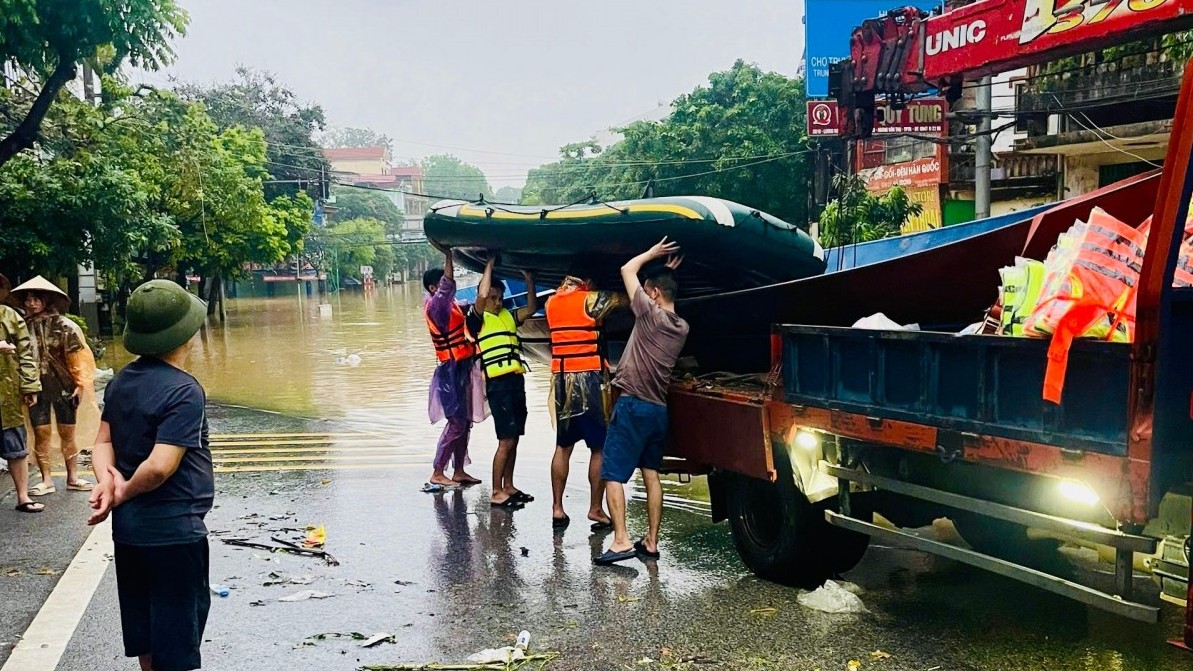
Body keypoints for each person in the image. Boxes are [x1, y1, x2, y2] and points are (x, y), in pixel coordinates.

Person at [86, 279, 213, 671]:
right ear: (186, 335)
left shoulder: (123, 379)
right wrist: (121, 492)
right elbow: (160, 467)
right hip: (174, 534)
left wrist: (107, 481)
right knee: (176, 640)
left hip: (130, 534)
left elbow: (102, 442)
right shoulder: (184, 391)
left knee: (147, 631)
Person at [595, 238, 689, 565]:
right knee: (651, 475)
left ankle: (621, 542)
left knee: (612, 474)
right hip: (657, 410)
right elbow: (660, 292)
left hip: (633, 406)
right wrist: (662, 274)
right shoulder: (681, 327)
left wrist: (650, 254)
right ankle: (650, 542)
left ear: (654, 295)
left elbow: (627, 269)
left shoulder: (649, 315)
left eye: (647, 292)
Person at [546, 263, 628, 530]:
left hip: (561, 380)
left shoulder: (551, 303)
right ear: (588, 280)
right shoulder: (590, 299)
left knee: (563, 446)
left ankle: (557, 508)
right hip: (589, 379)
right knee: (599, 447)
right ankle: (595, 508)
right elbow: (628, 299)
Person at [11, 275, 96, 496]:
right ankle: (46, 480)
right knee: (41, 434)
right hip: (35, 388)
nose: (31, 303)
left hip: (63, 387)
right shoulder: (22, 327)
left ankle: (73, 477)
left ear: (46, 300)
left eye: (36, 299)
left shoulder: (65, 326)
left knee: (68, 433)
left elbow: (79, 358)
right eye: (28, 299)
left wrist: (80, 384)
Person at [466, 256, 537, 509]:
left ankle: (509, 485)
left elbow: (530, 308)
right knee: (505, 440)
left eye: (499, 298)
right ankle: (496, 491)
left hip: (515, 382)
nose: (496, 302)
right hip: (498, 386)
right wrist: (490, 264)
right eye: (492, 298)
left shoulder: (507, 315)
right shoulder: (478, 318)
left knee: (515, 436)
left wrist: (529, 280)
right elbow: (483, 293)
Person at [424, 247, 486, 488]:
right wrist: (448, 255)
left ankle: (459, 469)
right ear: (433, 288)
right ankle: (438, 471)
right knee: (457, 422)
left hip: (462, 367)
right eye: (441, 285)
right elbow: (448, 283)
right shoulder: (436, 306)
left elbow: (473, 306)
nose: (450, 287)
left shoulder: (451, 306)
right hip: (450, 371)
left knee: (465, 421)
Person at [0, 274, 43, 513]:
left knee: (16, 446)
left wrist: (29, 386)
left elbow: (27, 354)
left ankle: (23, 496)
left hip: (8, 392)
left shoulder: (10, 316)